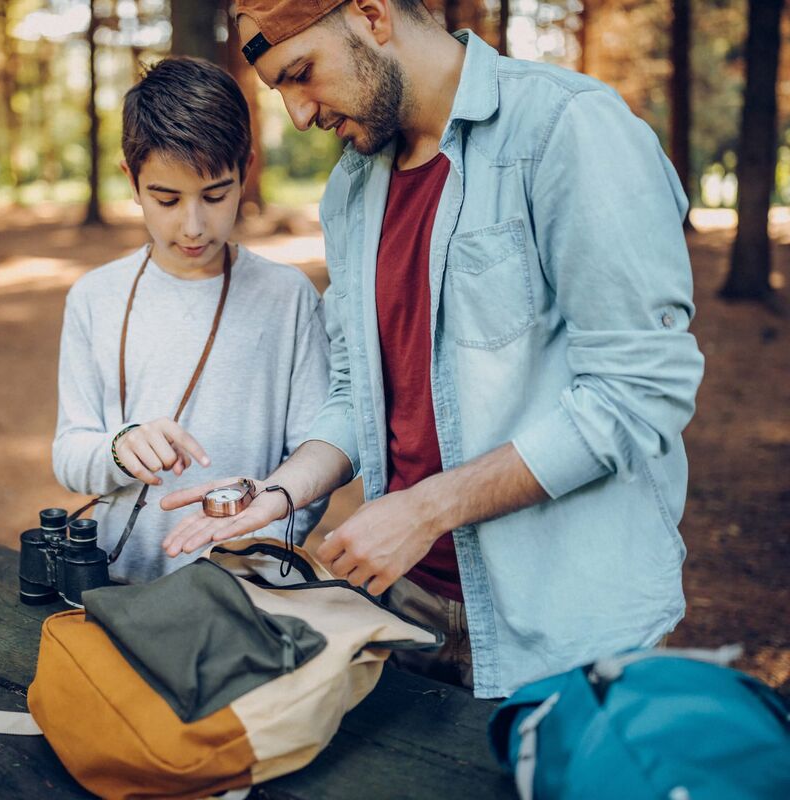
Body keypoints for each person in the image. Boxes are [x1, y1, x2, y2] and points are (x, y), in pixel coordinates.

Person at [160, 0, 704, 699]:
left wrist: (427, 509)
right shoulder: (350, 190)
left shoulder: (566, 128)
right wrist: (280, 491)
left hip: (567, 624)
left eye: (301, 74)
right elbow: (361, 387)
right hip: (405, 612)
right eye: (280, 91)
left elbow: (638, 395)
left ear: (372, 15)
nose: (298, 115)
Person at [53, 57, 330, 584]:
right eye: (166, 199)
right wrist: (118, 448)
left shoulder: (288, 297)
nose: (194, 225)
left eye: (215, 195)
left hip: (247, 589)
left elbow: (315, 460)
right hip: (120, 589)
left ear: (245, 171)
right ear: (131, 181)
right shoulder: (94, 297)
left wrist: (257, 535)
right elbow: (69, 453)